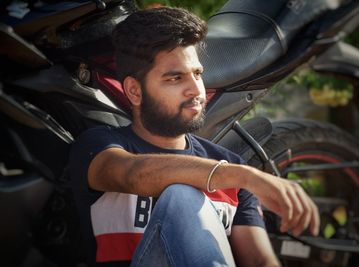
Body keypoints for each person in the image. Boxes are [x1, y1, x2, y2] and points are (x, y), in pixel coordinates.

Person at [69, 6, 320, 267]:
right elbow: (134, 175)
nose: (195, 90)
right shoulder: (99, 146)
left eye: (197, 74)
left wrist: (240, 175)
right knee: (182, 196)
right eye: (175, 78)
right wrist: (246, 176)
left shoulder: (230, 165)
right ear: (134, 90)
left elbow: (259, 261)